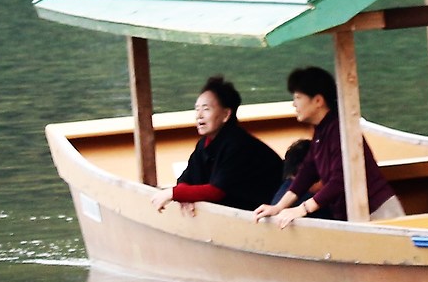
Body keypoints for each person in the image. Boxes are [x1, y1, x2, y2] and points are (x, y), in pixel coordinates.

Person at [255, 65, 400, 224]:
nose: (294, 104)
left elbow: (342, 178)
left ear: (318, 100)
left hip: (378, 212)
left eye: (298, 97)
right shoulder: (322, 130)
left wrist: (303, 208)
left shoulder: (340, 128)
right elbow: (307, 171)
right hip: (355, 214)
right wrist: (278, 207)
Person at [159, 75, 284, 213]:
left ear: (226, 114)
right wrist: (185, 195)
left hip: (264, 209)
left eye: (206, 109)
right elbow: (187, 177)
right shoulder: (204, 143)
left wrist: (174, 193)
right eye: (197, 109)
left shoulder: (238, 144)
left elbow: (217, 191)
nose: (199, 115)